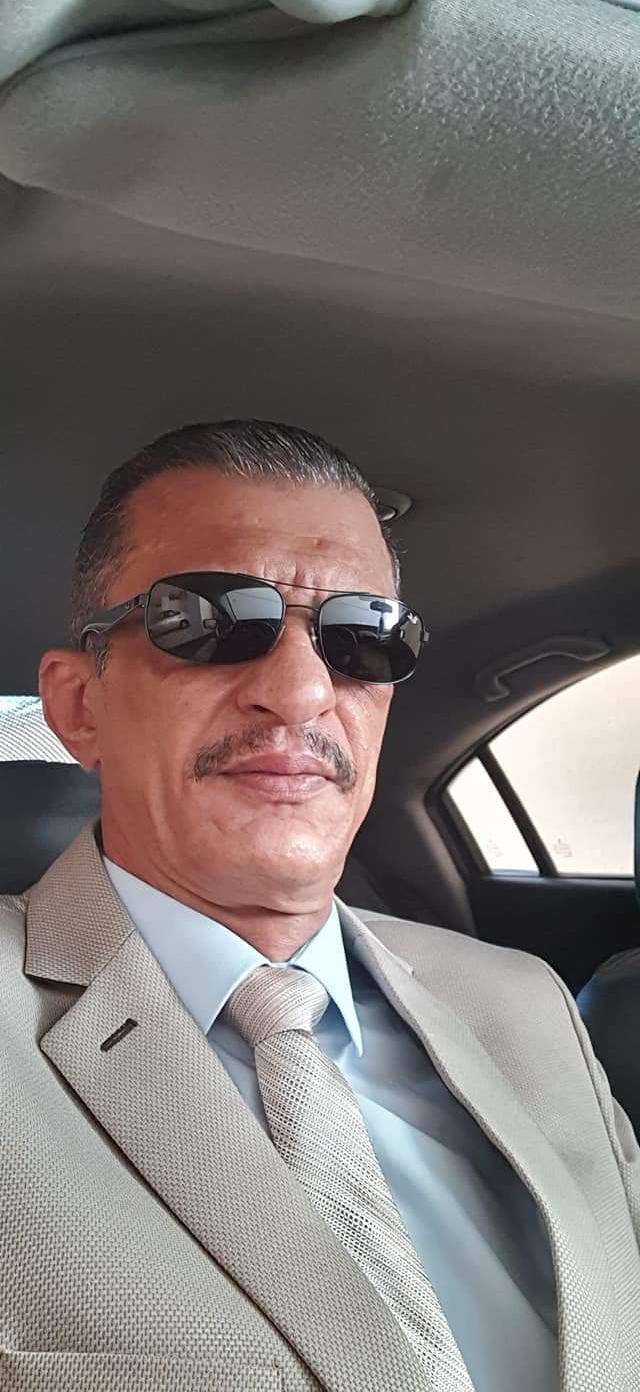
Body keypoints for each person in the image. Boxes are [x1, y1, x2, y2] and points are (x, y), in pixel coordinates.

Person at [1, 420, 639, 1392]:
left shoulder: (529, 1001)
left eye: (362, 636)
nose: (300, 690)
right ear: (80, 704)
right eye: (208, 619)